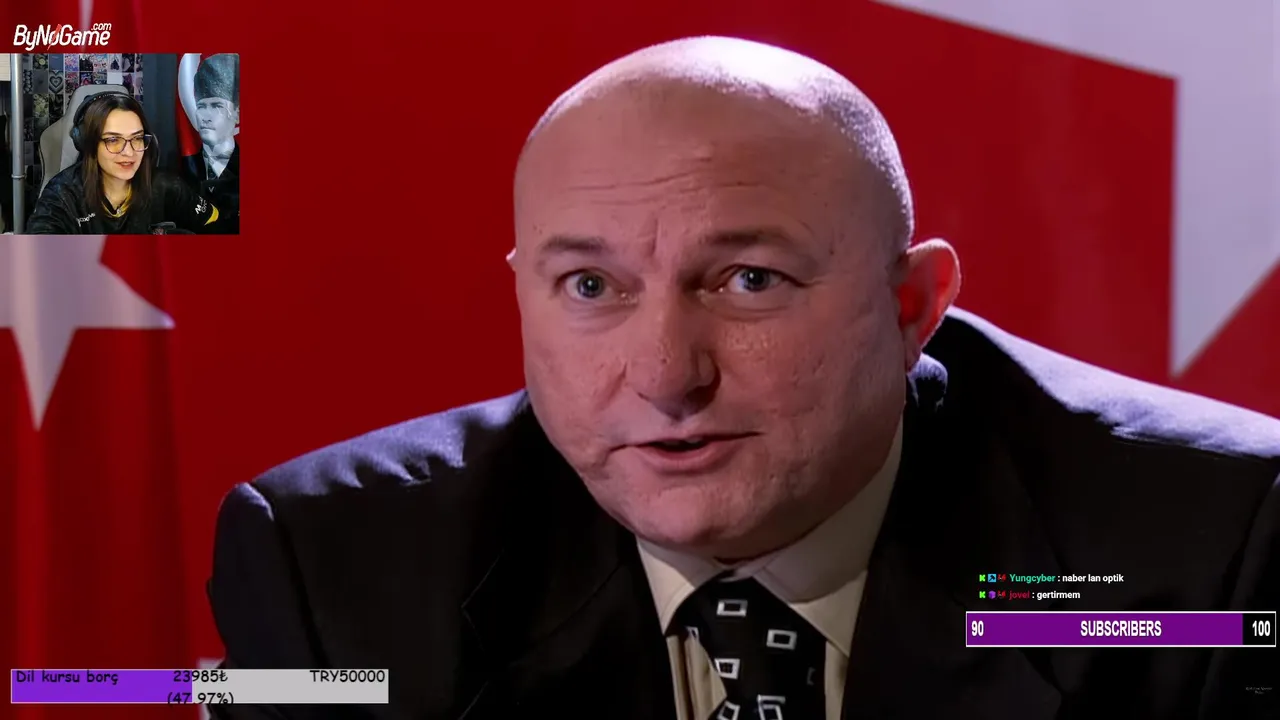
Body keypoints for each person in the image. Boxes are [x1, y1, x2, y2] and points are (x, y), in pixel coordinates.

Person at [206, 37, 1280, 719]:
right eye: (591, 286)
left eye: (749, 280)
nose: (666, 377)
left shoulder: (1212, 549)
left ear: (912, 306)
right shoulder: (331, 565)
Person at [27, 91, 233, 234]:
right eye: (113, 140)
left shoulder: (166, 187)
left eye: (137, 138)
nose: (129, 152)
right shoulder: (62, 196)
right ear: (89, 144)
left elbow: (217, 226)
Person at [180, 53, 240, 234]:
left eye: (217, 106)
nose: (205, 116)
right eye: (201, 106)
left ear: (237, 114)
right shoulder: (182, 172)